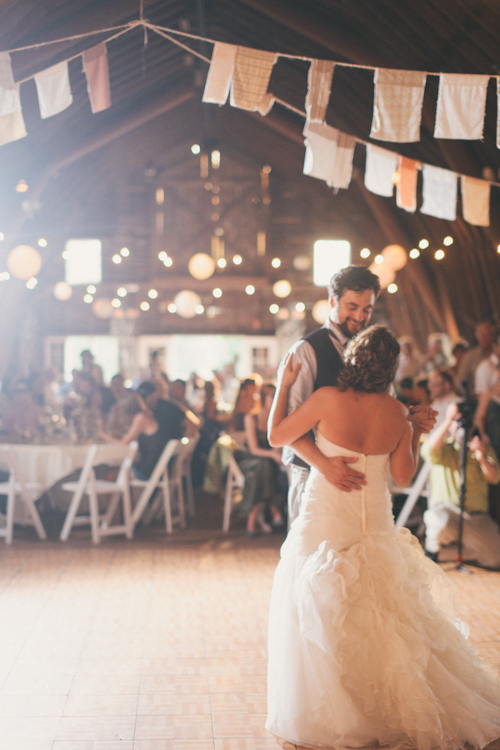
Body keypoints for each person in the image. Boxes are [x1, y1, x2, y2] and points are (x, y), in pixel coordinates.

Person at [265, 326, 500, 750]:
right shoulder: (396, 413)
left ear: (352, 359)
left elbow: (277, 435)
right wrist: (412, 429)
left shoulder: (326, 400)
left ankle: (336, 711)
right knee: (384, 617)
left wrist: (283, 387)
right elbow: (404, 477)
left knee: (317, 608)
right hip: (373, 524)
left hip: (325, 521)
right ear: (390, 369)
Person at [272, 265, 381, 527]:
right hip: (312, 474)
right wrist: (324, 465)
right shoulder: (306, 351)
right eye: (352, 307)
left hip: (358, 478)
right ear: (333, 301)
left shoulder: (372, 352)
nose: (359, 316)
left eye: (367, 309)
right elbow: (285, 428)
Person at [422, 402, 500, 568]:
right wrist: (448, 419)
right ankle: (434, 548)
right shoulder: (444, 448)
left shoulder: (483, 449)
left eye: (464, 422)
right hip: (447, 512)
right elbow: (428, 450)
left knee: (496, 558)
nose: (461, 425)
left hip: (475, 517)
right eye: (457, 422)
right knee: (439, 521)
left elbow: (494, 477)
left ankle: (446, 553)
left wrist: (481, 457)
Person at [241, 383, 286, 536]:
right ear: (263, 398)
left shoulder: (279, 418)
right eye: (273, 396)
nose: (276, 399)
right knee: (264, 467)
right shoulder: (251, 417)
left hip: (268, 465)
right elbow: (253, 449)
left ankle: (252, 519)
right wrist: (273, 454)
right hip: (251, 461)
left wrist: (277, 453)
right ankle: (273, 509)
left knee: (264, 469)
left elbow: (280, 444)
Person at [457, 321, 495, 394]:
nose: (484, 338)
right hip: (478, 397)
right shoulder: (470, 357)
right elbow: (460, 381)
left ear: (492, 336)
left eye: (486, 334)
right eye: (481, 335)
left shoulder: (496, 353)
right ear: (477, 337)